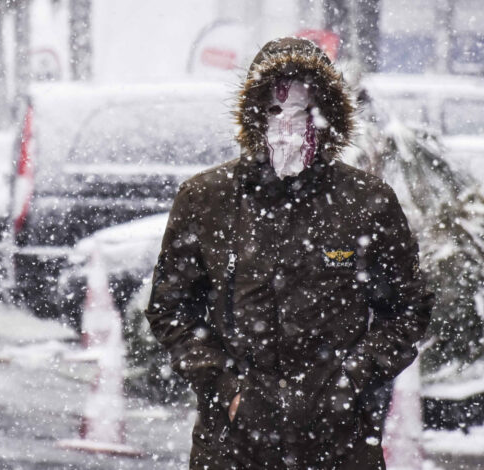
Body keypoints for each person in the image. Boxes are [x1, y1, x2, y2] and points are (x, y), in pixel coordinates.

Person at [146, 38, 433, 469]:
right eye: (275, 110)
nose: (288, 126)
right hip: (232, 446)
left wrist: (350, 381)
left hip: (338, 446)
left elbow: (408, 308)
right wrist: (228, 389)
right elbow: (170, 310)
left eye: (302, 112)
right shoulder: (207, 199)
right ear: (254, 116)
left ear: (326, 118)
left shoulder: (365, 201)